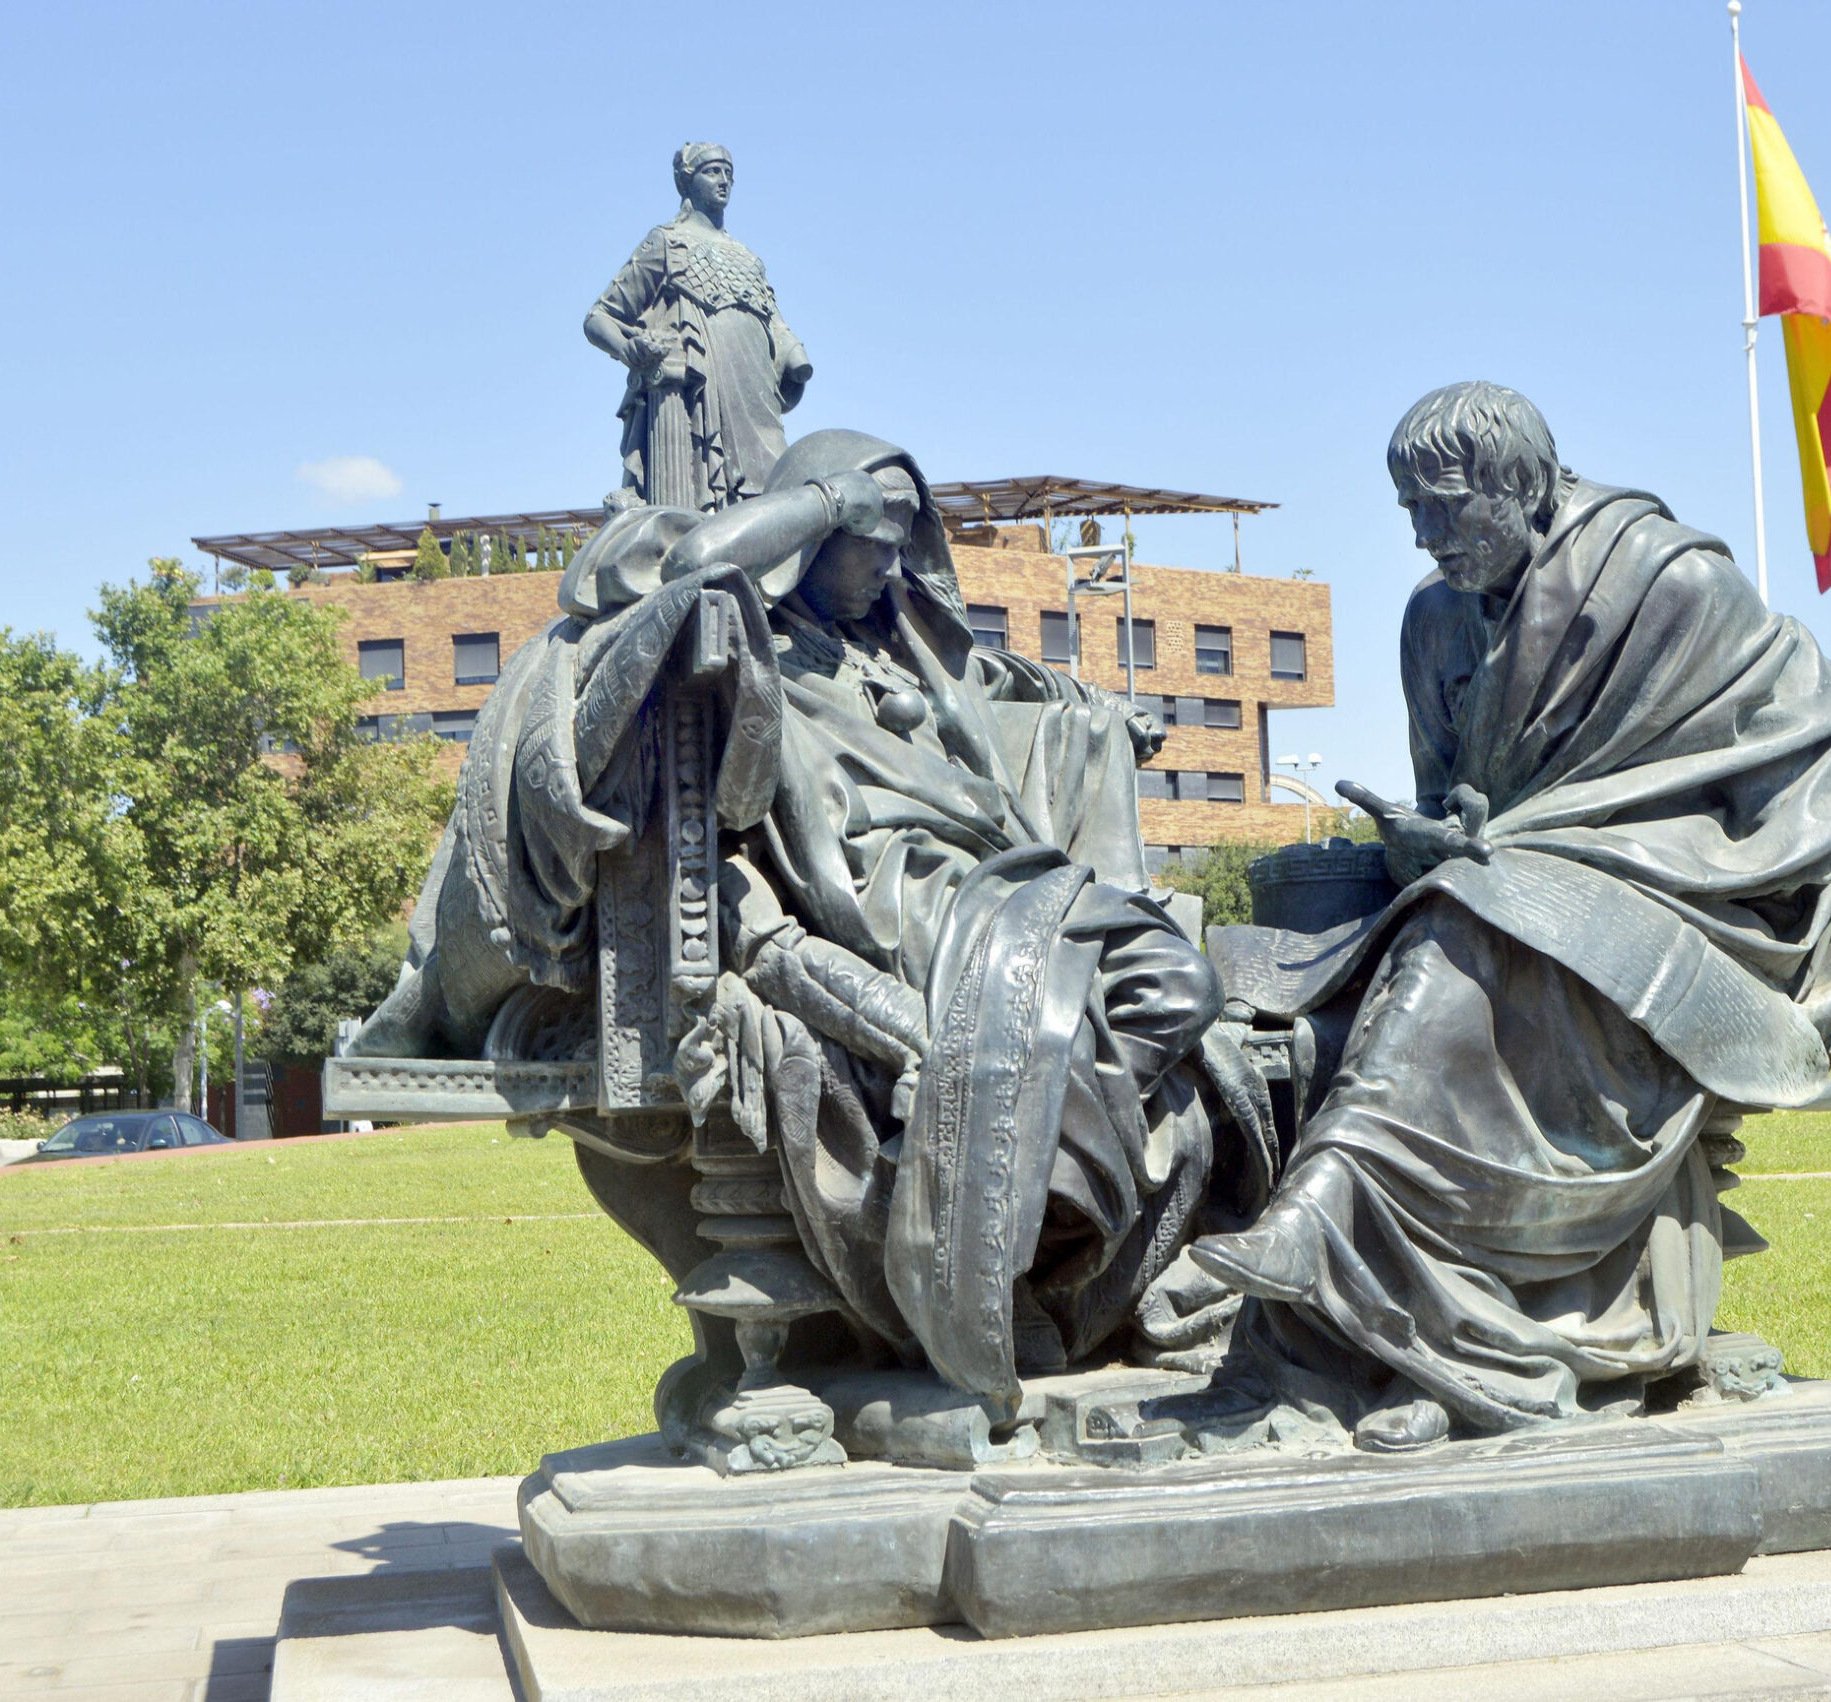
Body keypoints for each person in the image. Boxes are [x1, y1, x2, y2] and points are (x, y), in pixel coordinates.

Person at [1189, 382, 1831, 1453]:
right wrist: (1425, 836)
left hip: (1678, 898)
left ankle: (1329, 1213)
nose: (1424, 535)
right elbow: (1462, 798)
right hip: (1512, 891)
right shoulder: (1434, 619)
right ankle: (1409, 1336)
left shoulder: (1668, 584)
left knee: (1464, 936)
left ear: (1526, 486)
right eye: (1410, 510)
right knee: (1325, 982)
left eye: (1447, 507)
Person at [358, 429, 1238, 1414]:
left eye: (905, 543)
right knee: (1176, 990)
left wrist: (1097, 721)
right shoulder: (765, 647)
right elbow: (687, 565)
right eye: (873, 542)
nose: (891, 567)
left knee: (1195, 1021)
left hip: (1004, 882)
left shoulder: (896, 648)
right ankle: (1019, 1173)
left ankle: (1027, 1174)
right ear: (813, 537)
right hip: (914, 908)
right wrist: (829, 500)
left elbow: (1008, 698)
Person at [586, 143, 811, 512]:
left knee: (774, 496)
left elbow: (774, 322)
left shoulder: (748, 257)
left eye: (728, 174)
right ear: (686, 181)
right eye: (712, 171)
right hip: (698, 398)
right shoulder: (665, 242)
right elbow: (598, 318)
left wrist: (793, 358)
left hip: (757, 397)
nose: (724, 181)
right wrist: (630, 349)